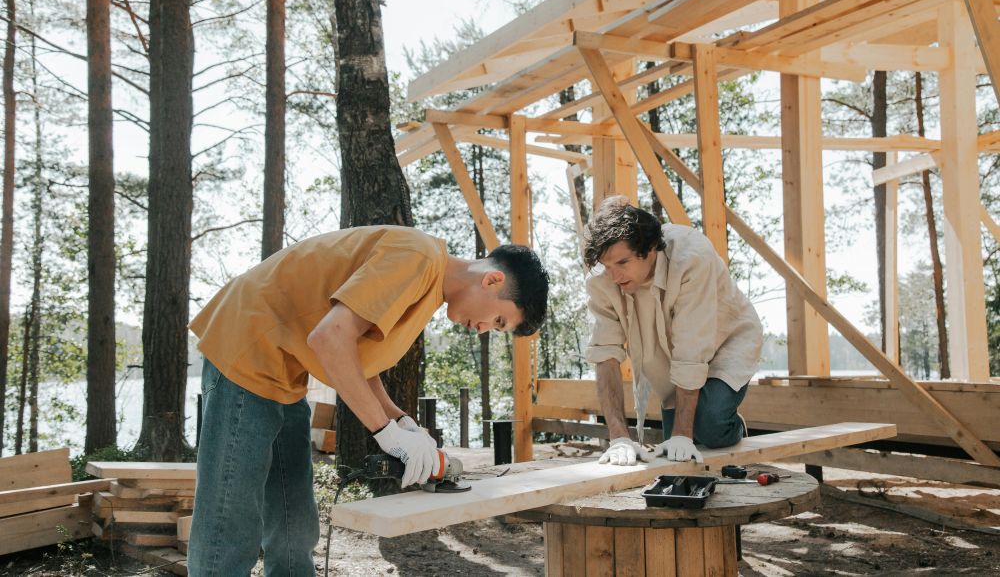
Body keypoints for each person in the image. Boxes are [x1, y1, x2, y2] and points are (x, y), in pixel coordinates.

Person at [186, 225, 549, 576]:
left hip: (284, 372)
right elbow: (329, 337)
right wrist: (386, 433)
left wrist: (404, 424)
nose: (484, 329)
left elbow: (355, 357)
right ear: (492, 280)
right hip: (246, 351)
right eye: (498, 320)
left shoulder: (427, 283)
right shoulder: (416, 259)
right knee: (228, 523)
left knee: (293, 523)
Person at [583, 197, 762, 467]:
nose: (614, 276)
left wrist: (682, 434)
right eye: (607, 266)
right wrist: (619, 438)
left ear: (651, 248)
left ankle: (732, 426)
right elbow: (605, 356)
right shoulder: (602, 280)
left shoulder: (692, 257)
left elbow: (691, 349)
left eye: (623, 263)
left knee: (709, 423)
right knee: (674, 465)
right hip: (669, 357)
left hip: (726, 341)